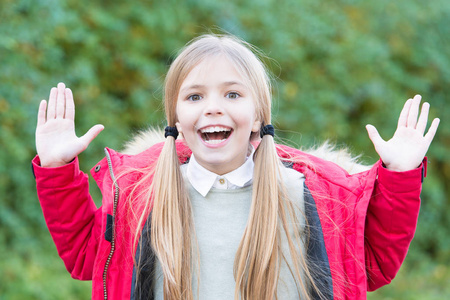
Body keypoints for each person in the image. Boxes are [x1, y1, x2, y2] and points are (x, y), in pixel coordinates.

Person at [33, 34, 440, 300]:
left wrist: (400, 177)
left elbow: (374, 262)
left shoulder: (313, 194)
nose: (213, 106)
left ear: (258, 111)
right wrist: (56, 167)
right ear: (174, 117)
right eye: (194, 97)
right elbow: (86, 256)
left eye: (231, 93)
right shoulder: (140, 195)